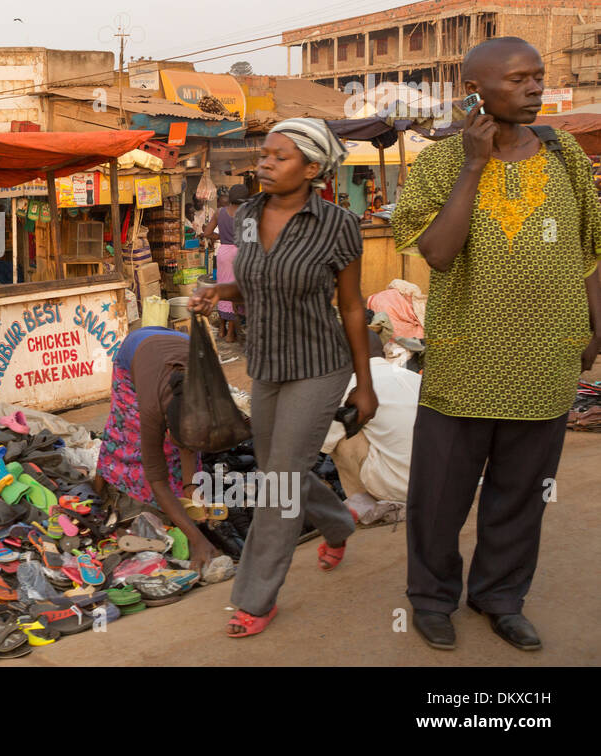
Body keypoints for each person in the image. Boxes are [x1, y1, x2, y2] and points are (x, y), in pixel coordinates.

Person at [392, 37, 601, 653]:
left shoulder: (565, 159)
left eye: (538, 76)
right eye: (518, 79)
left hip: (547, 362)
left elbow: (592, 250)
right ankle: (431, 600)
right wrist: (474, 166)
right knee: (439, 497)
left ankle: (500, 597)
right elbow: (437, 252)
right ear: (477, 90)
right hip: (465, 362)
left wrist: (595, 328)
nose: (535, 88)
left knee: (522, 496)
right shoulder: (439, 163)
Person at [190, 117, 377, 638]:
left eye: (279, 156)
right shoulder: (247, 215)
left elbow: (351, 307)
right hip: (266, 364)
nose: (265, 164)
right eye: (265, 154)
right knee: (282, 470)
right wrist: (217, 293)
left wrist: (365, 384)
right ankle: (338, 522)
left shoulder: (337, 224)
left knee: (276, 484)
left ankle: (255, 597)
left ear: (312, 169)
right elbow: (254, 284)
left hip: (320, 365)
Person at [96, 327, 218, 572]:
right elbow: (157, 480)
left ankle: (183, 506)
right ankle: (98, 492)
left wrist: (191, 488)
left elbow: (189, 441)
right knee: (126, 439)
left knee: (182, 449)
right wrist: (198, 540)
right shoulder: (151, 410)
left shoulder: (208, 391)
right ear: (166, 427)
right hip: (137, 351)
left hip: (183, 346)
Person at [320, 331, 417, 504]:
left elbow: (319, 443)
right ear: (382, 352)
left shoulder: (349, 387)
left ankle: (363, 503)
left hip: (402, 489)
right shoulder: (413, 377)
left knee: (341, 434)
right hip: (442, 482)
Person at [203, 184, 249, 342]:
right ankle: (230, 333)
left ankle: (221, 329)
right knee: (234, 290)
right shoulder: (248, 215)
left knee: (222, 287)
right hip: (240, 253)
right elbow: (252, 240)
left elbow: (207, 233)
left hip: (223, 253)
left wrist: (222, 238)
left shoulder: (220, 212)